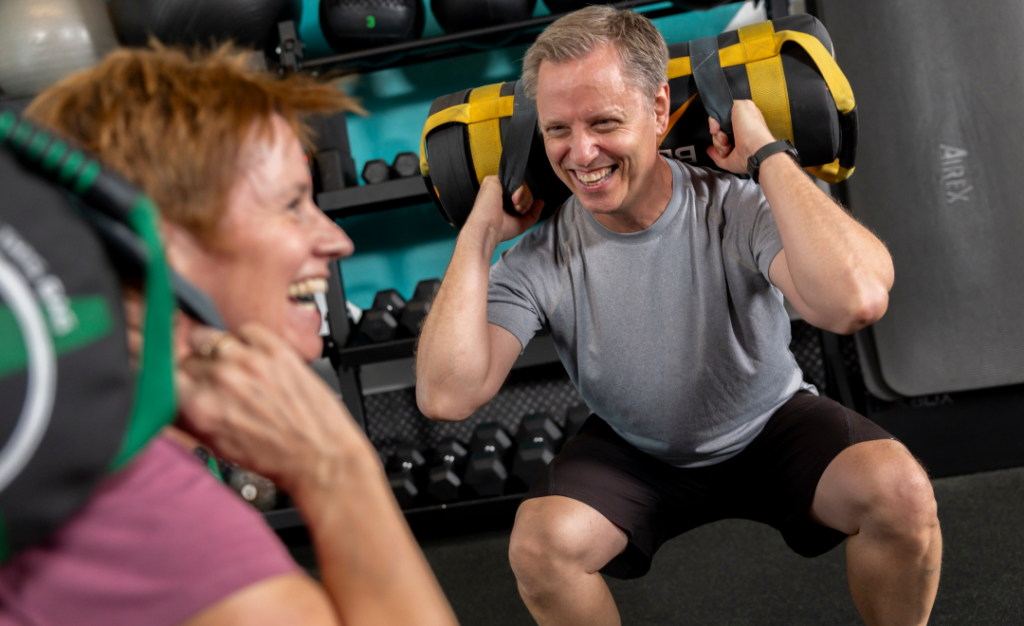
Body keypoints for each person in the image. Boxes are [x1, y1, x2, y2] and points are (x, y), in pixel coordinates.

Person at [416, 6, 941, 626]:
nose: (581, 153)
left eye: (604, 122)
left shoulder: (734, 205)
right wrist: (478, 234)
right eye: (558, 129)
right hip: (638, 454)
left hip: (769, 424)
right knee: (542, 543)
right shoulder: (540, 256)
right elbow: (445, 395)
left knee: (899, 492)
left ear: (659, 111)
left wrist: (769, 155)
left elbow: (856, 300)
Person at [0, 45, 458, 626]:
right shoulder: (147, 517)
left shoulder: (66, 435)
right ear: (157, 246)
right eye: (292, 203)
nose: (337, 241)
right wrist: (339, 472)